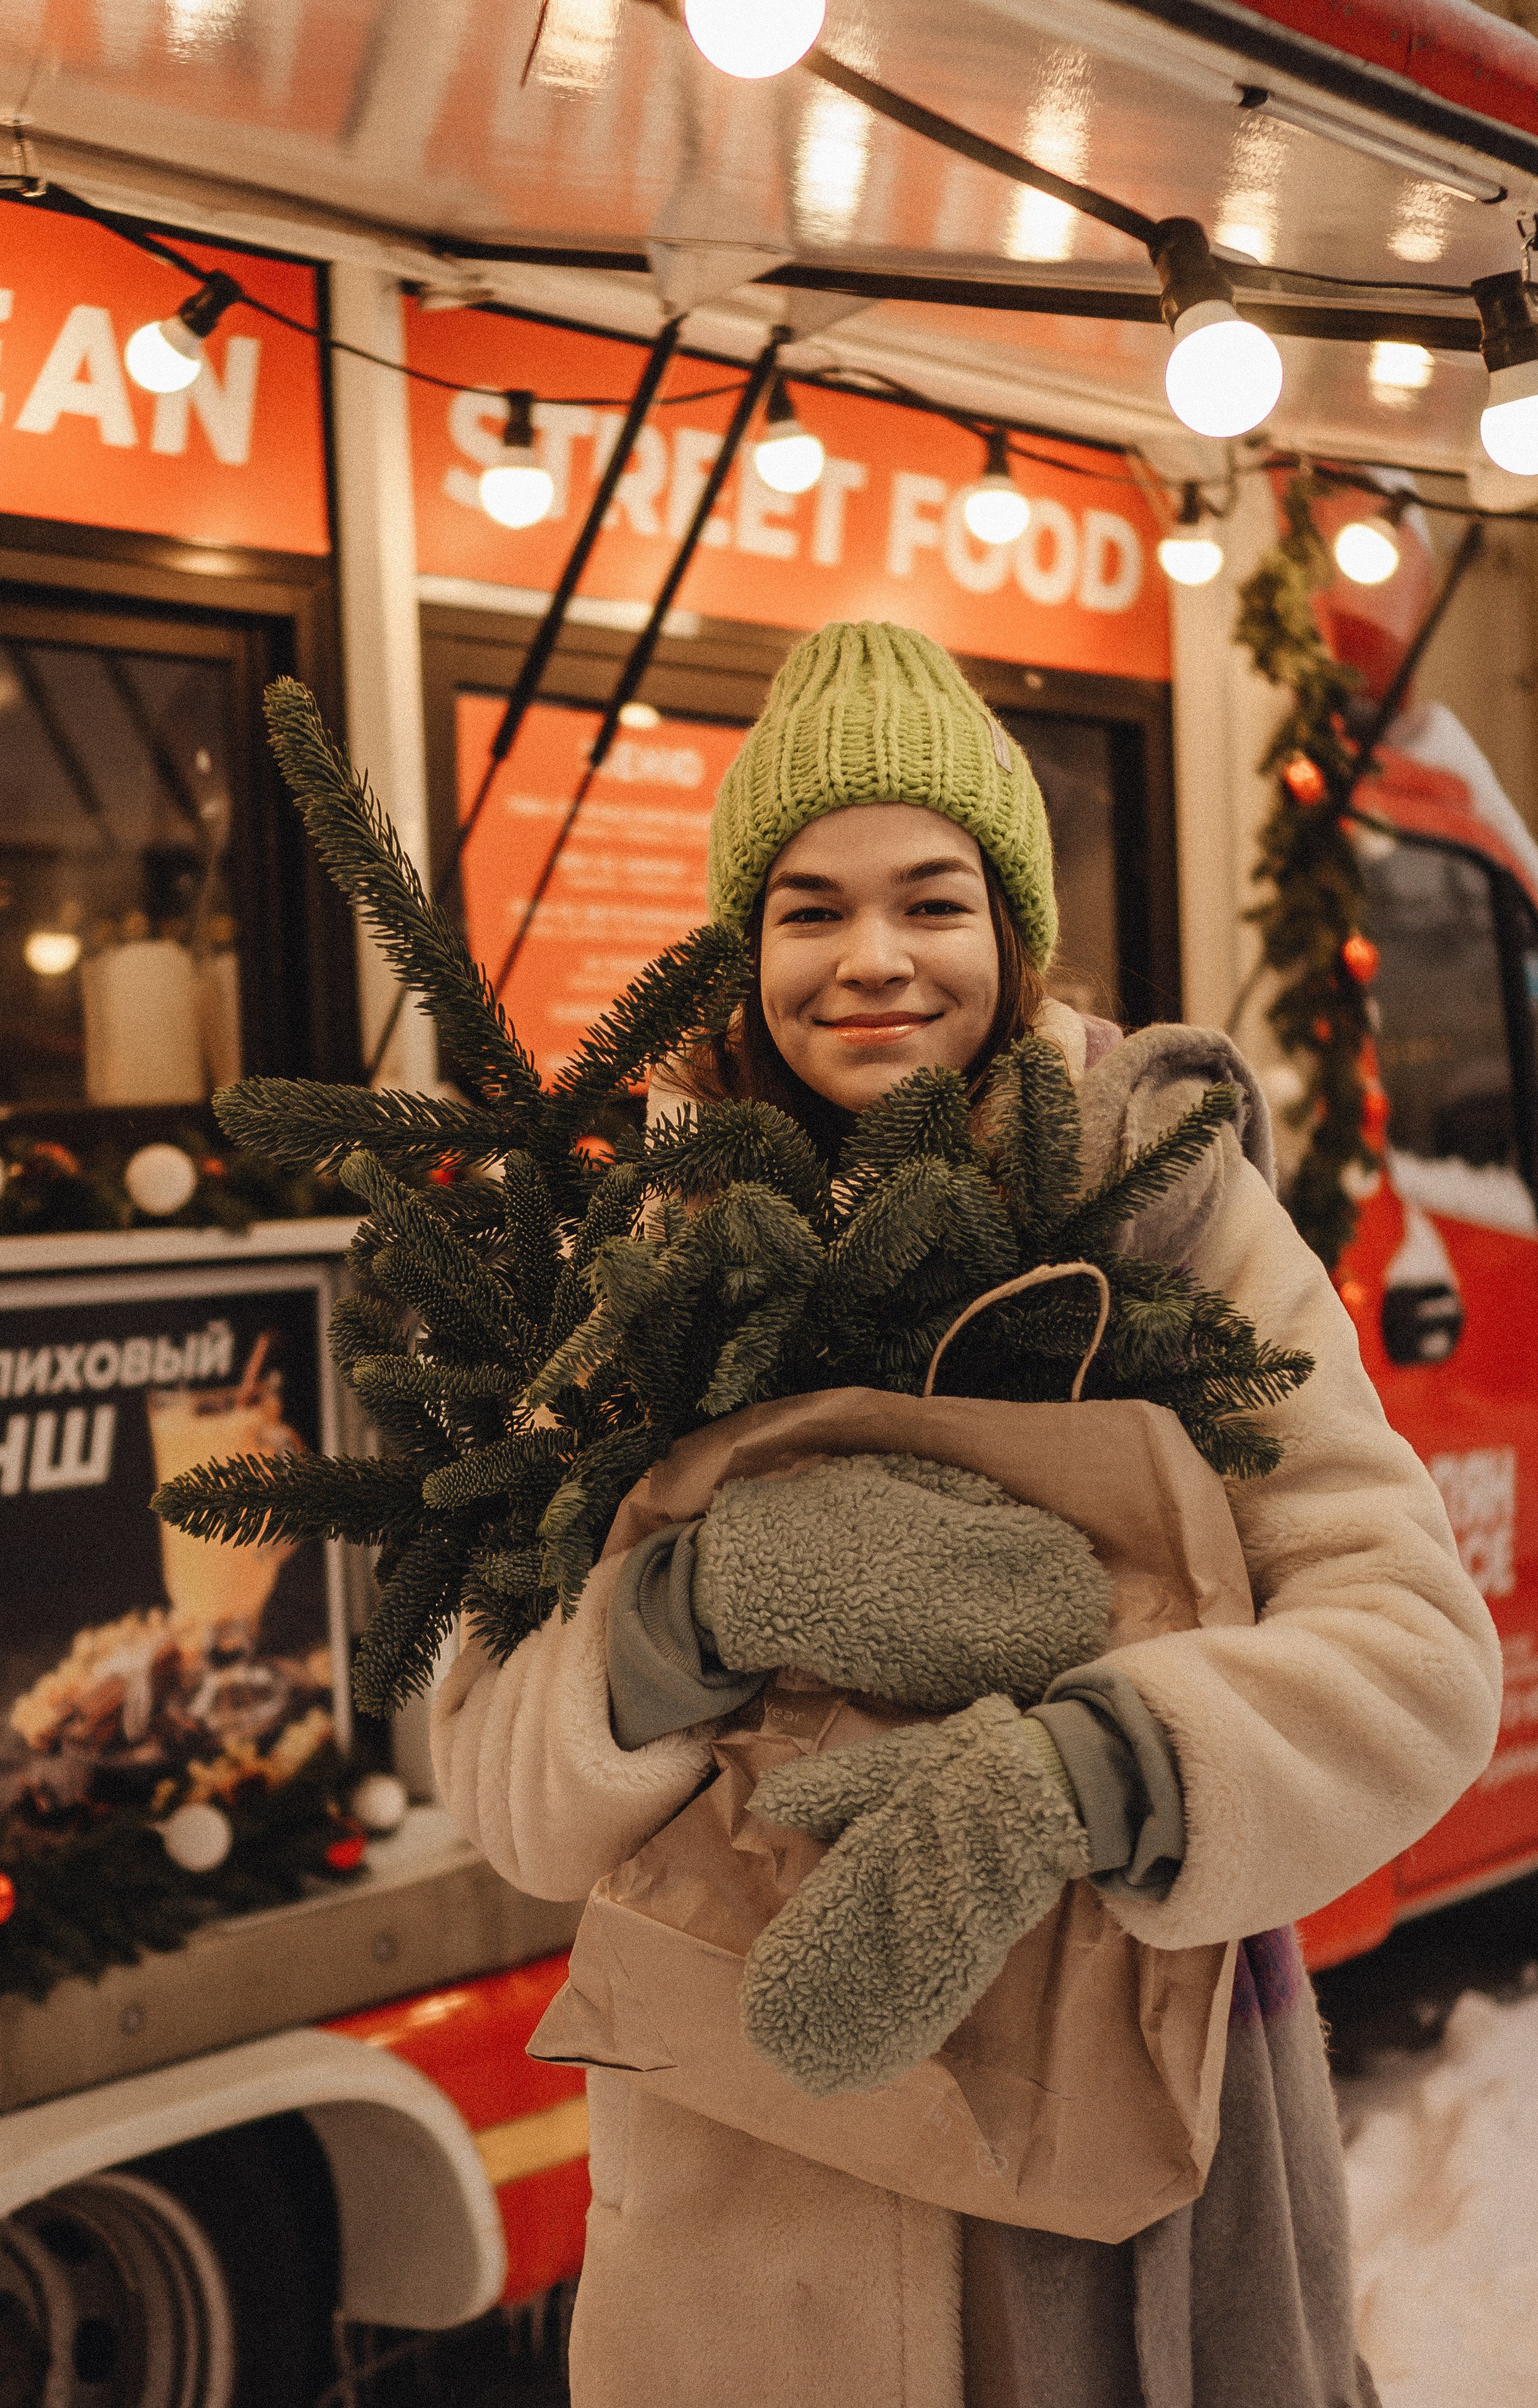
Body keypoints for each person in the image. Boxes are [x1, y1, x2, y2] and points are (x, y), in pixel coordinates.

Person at [432, 621, 1499, 2408]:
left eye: (932, 901)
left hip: (1132, 2180)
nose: (873, 960)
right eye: (810, 910)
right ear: (745, 949)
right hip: (746, 2193)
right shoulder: (649, 1259)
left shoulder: (1172, 1212)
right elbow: (498, 1778)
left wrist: (1087, 1777)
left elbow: (1414, 1657)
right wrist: (685, 1613)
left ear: (1013, 932)